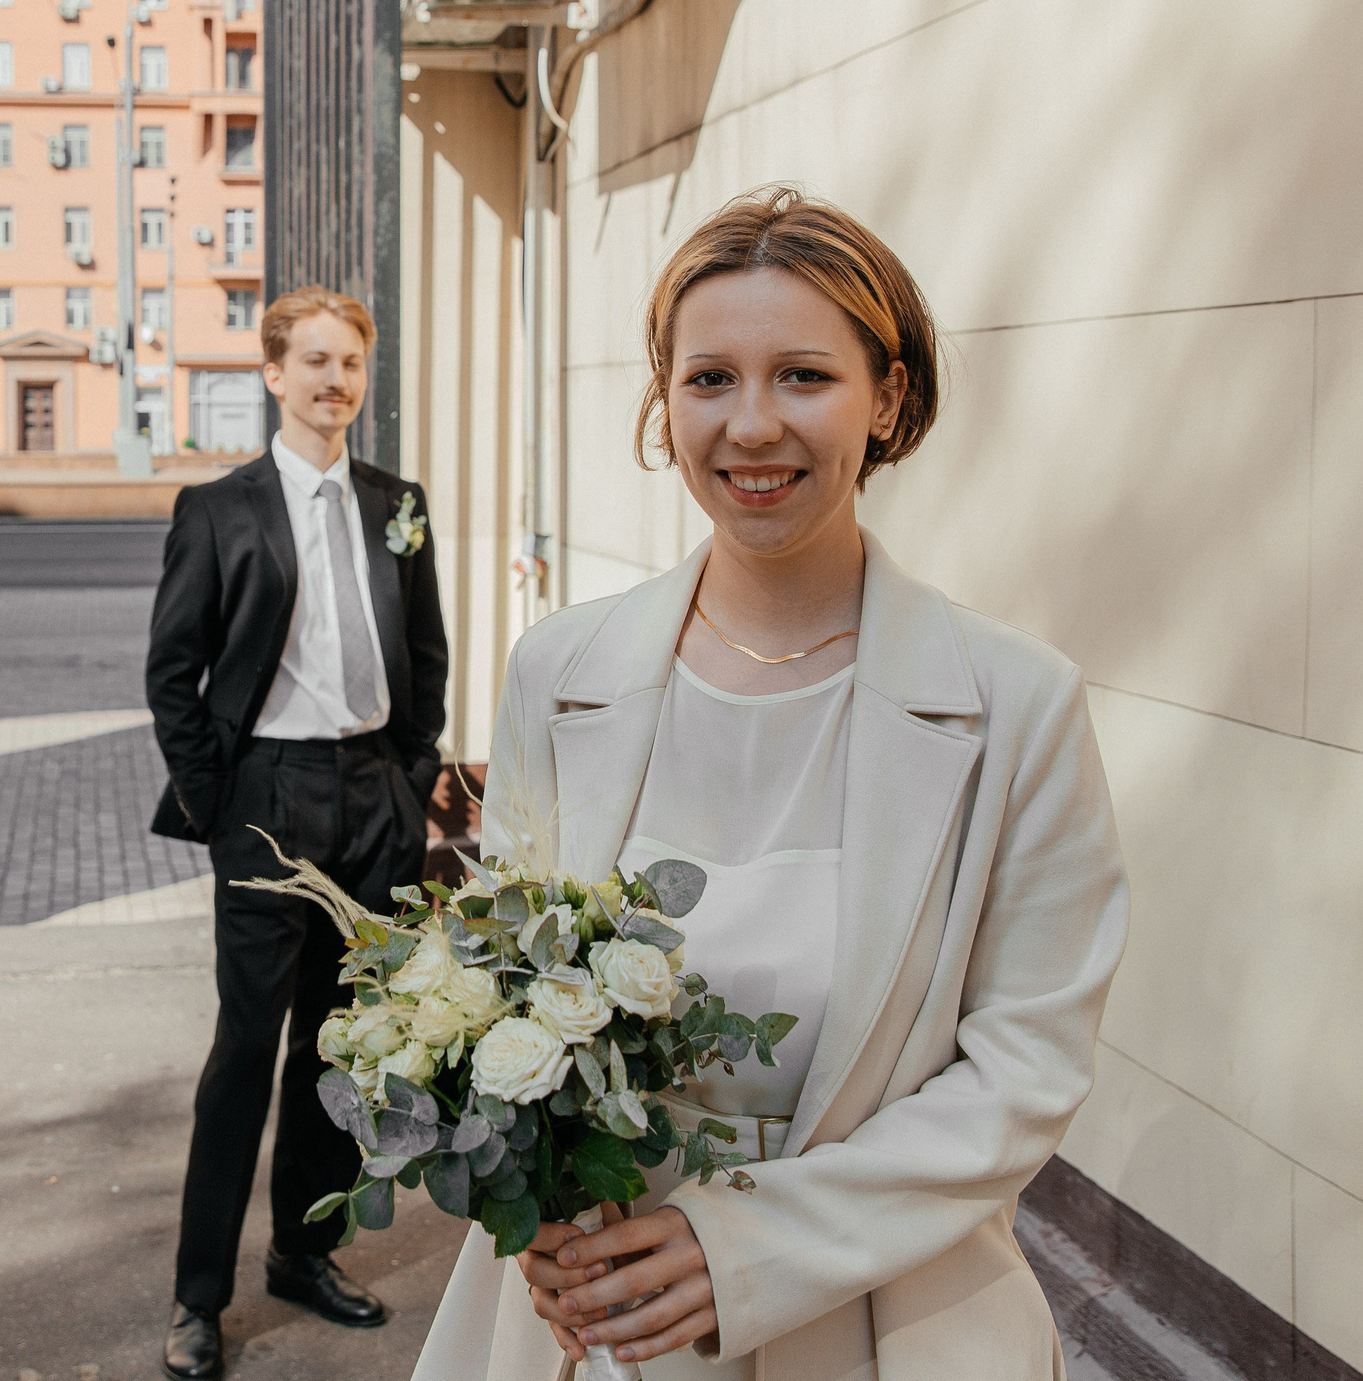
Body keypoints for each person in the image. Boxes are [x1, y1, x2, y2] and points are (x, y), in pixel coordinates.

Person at [412, 188, 1130, 1380]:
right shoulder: (558, 674)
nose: (752, 427)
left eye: (803, 376)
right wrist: (527, 1204)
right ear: (665, 398)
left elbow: (1027, 1065)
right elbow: (500, 998)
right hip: (594, 1317)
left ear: (887, 397)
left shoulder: (1017, 703)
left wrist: (741, 1246)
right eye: (709, 380)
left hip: (883, 1315)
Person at [147, 286, 450, 1380]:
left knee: (335, 1048)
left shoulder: (396, 501)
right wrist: (221, 802)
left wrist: (408, 783)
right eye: (313, 362)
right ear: (273, 374)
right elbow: (171, 675)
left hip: (372, 797)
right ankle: (196, 1296)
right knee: (243, 1053)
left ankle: (302, 1255)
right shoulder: (218, 510)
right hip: (267, 804)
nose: (333, 382)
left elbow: (426, 659)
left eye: (350, 365)